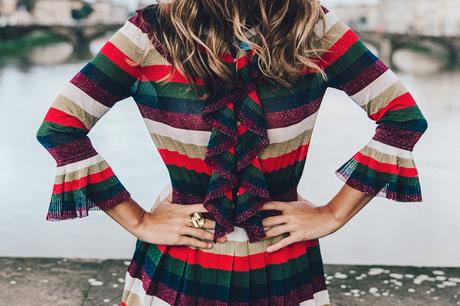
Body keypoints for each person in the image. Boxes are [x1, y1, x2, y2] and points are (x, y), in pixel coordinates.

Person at [35, 1, 428, 305]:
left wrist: (334, 213)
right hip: (185, 258)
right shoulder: (150, 33)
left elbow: (403, 118)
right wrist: (138, 221)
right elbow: (60, 126)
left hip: (280, 257)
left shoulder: (314, 28)